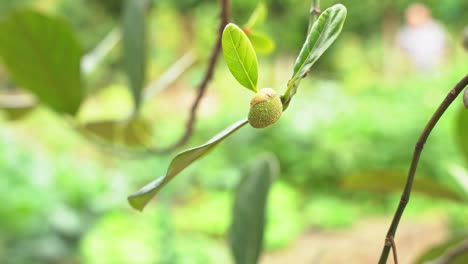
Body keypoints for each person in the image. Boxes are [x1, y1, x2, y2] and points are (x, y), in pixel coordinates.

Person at [397, 3, 448, 73]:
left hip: (436, 66)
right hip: (414, 68)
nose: (409, 19)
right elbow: (401, 51)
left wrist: (442, 64)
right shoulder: (405, 32)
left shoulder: (435, 28)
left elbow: (445, 47)